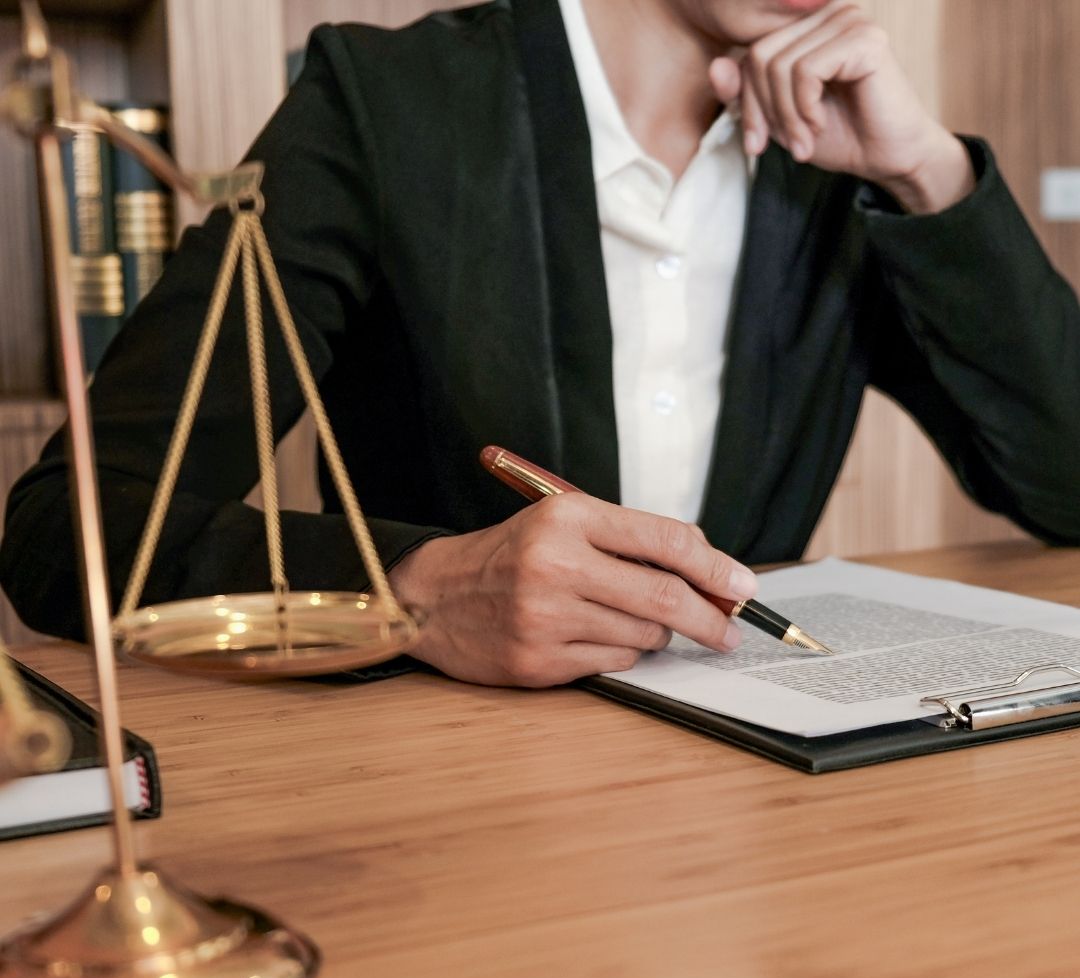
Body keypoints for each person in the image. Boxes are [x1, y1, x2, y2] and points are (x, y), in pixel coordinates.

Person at [2, 0, 1079, 687]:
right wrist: (412, 592)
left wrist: (929, 174)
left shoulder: (844, 155)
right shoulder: (386, 103)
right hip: (448, 801)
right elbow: (64, 538)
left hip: (766, 803)